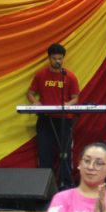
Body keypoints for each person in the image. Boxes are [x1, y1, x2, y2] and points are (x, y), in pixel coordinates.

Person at [28, 43, 80, 189]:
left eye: (60, 58)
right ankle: (45, 187)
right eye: (54, 58)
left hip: (64, 119)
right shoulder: (41, 75)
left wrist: (68, 104)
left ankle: (66, 185)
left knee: (65, 154)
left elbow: (75, 98)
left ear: (63, 58)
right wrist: (36, 102)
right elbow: (30, 93)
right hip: (45, 118)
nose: (57, 61)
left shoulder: (70, 76)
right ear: (49, 58)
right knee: (44, 153)